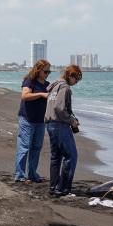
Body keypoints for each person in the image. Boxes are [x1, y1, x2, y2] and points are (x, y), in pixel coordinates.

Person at [44, 65, 82, 197]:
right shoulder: (64, 87)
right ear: (71, 76)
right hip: (59, 125)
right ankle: (63, 188)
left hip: (50, 123)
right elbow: (59, 109)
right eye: (76, 79)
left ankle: (54, 186)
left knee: (56, 157)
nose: (76, 82)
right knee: (71, 156)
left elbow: (53, 106)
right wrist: (72, 121)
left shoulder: (54, 86)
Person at [13, 59, 51, 183]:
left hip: (40, 121)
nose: (47, 74)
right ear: (38, 70)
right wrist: (40, 94)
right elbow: (24, 96)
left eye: (49, 72)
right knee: (24, 147)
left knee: (36, 148)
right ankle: (20, 175)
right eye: (45, 71)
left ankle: (33, 174)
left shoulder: (47, 84)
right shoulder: (30, 81)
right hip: (27, 119)